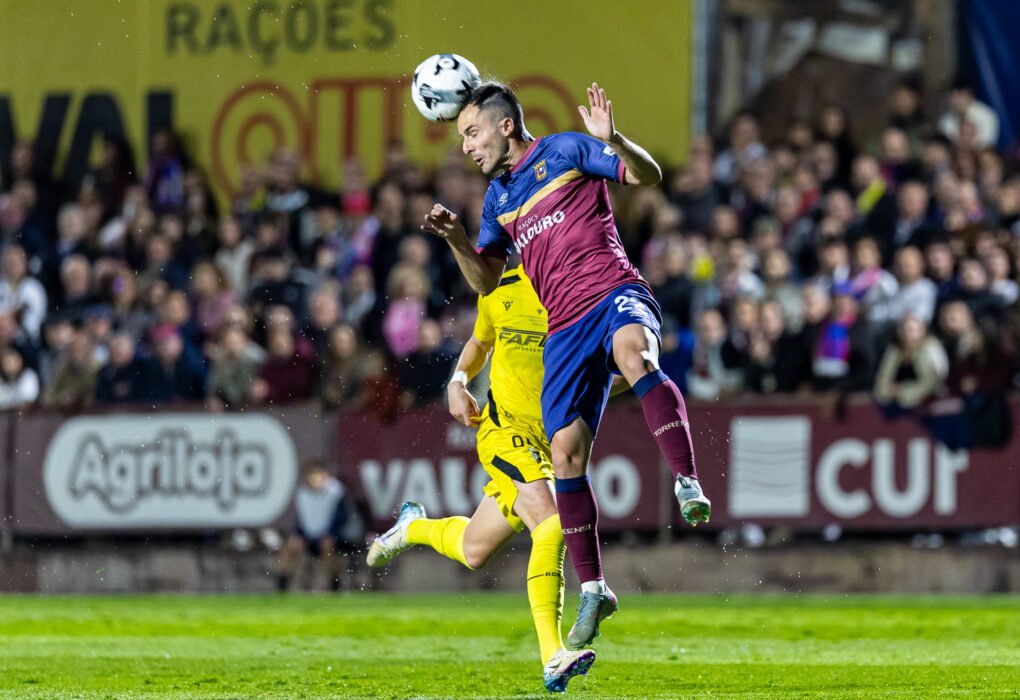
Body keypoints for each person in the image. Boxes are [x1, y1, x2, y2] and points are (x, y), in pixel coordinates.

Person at [420, 82, 709, 646]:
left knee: (636, 353)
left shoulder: (568, 150)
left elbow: (647, 177)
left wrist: (615, 140)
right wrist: (457, 238)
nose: (466, 148)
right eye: (461, 138)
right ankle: (595, 590)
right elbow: (485, 282)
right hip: (565, 329)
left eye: (472, 133)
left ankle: (687, 481)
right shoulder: (498, 201)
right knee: (565, 453)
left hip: (613, 291)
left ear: (506, 126)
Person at [366, 267, 595, 693]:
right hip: (505, 432)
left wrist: (639, 377)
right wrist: (457, 380)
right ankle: (553, 657)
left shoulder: (584, 291)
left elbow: (601, 377)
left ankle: (412, 527)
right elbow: (477, 342)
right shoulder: (503, 288)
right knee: (552, 524)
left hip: (548, 443)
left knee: (474, 549)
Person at [277, 459, 365, 593]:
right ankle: (282, 583)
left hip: (341, 536)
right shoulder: (303, 494)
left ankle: (334, 583)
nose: (316, 479)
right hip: (314, 536)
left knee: (327, 543)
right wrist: (299, 536)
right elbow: (302, 522)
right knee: (292, 544)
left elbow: (340, 521)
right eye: (313, 476)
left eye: (319, 475)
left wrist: (325, 534)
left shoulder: (337, 493)